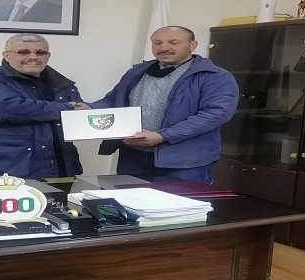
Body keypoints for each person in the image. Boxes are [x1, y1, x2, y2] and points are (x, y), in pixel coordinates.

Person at [87, 26, 239, 184]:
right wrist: (89, 108)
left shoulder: (214, 76)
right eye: (157, 43)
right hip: (132, 155)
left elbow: (215, 114)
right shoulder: (136, 72)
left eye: (173, 42)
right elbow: (114, 100)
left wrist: (164, 136)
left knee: (180, 200)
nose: (164, 48)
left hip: (184, 161)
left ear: (192, 45)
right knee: (128, 198)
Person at [0, 34, 87, 181]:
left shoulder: (63, 84)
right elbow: (9, 109)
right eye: (23, 52)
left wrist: (87, 121)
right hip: (3, 174)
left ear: (48, 56)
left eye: (40, 52)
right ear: (6, 55)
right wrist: (65, 109)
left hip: (60, 171)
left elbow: (77, 117)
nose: (33, 57)